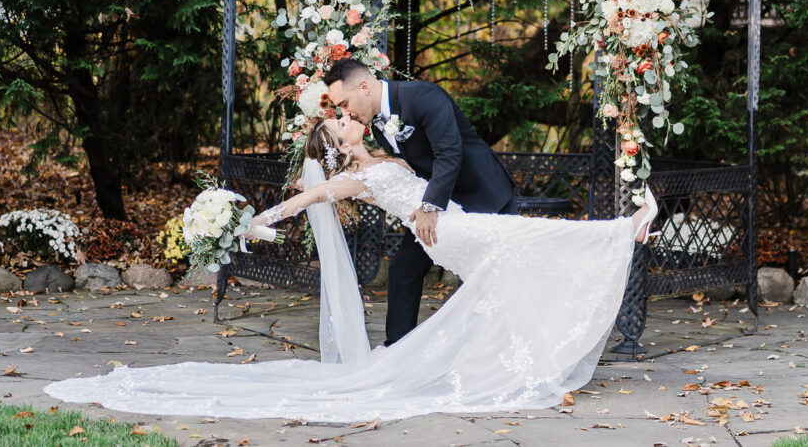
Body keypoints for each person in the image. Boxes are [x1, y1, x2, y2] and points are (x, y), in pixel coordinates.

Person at [44, 116, 659, 422]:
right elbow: (307, 198)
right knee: (524, 238)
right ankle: (622, 233)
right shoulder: (354, 175)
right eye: (337, 121)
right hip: (450, 230)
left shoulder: (385, 150)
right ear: (337, 144)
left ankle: (513, 352)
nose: (345, 117)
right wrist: (254, 219)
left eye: (343, 113)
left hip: (447, 228)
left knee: (521, 261)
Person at [324, 58, 518, 345]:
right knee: (404, 268)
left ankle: (487, 352)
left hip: (481, 194)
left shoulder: (424, 96)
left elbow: (449, 153)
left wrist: (430, 206)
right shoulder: (377, 124)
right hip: (439, 201)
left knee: (486, 276)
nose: (345, 112)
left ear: (364, 87)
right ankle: (397, 351)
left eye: (344, 103)